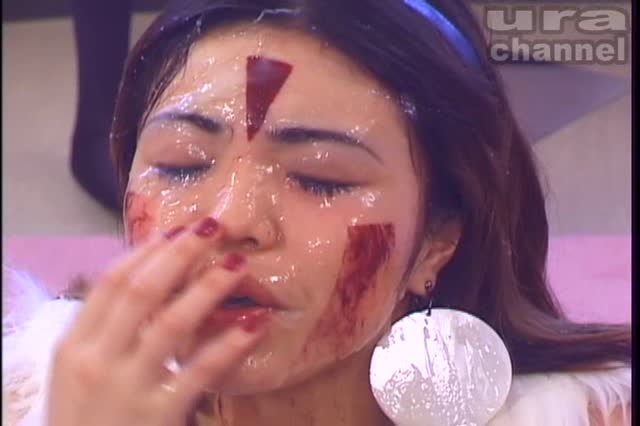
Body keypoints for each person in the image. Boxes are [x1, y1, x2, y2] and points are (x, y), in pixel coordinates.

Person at [3, 0, 631, 425]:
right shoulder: (25, 396)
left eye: (319, 177)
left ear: (439, 238)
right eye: (183, 165)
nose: (234, 218)